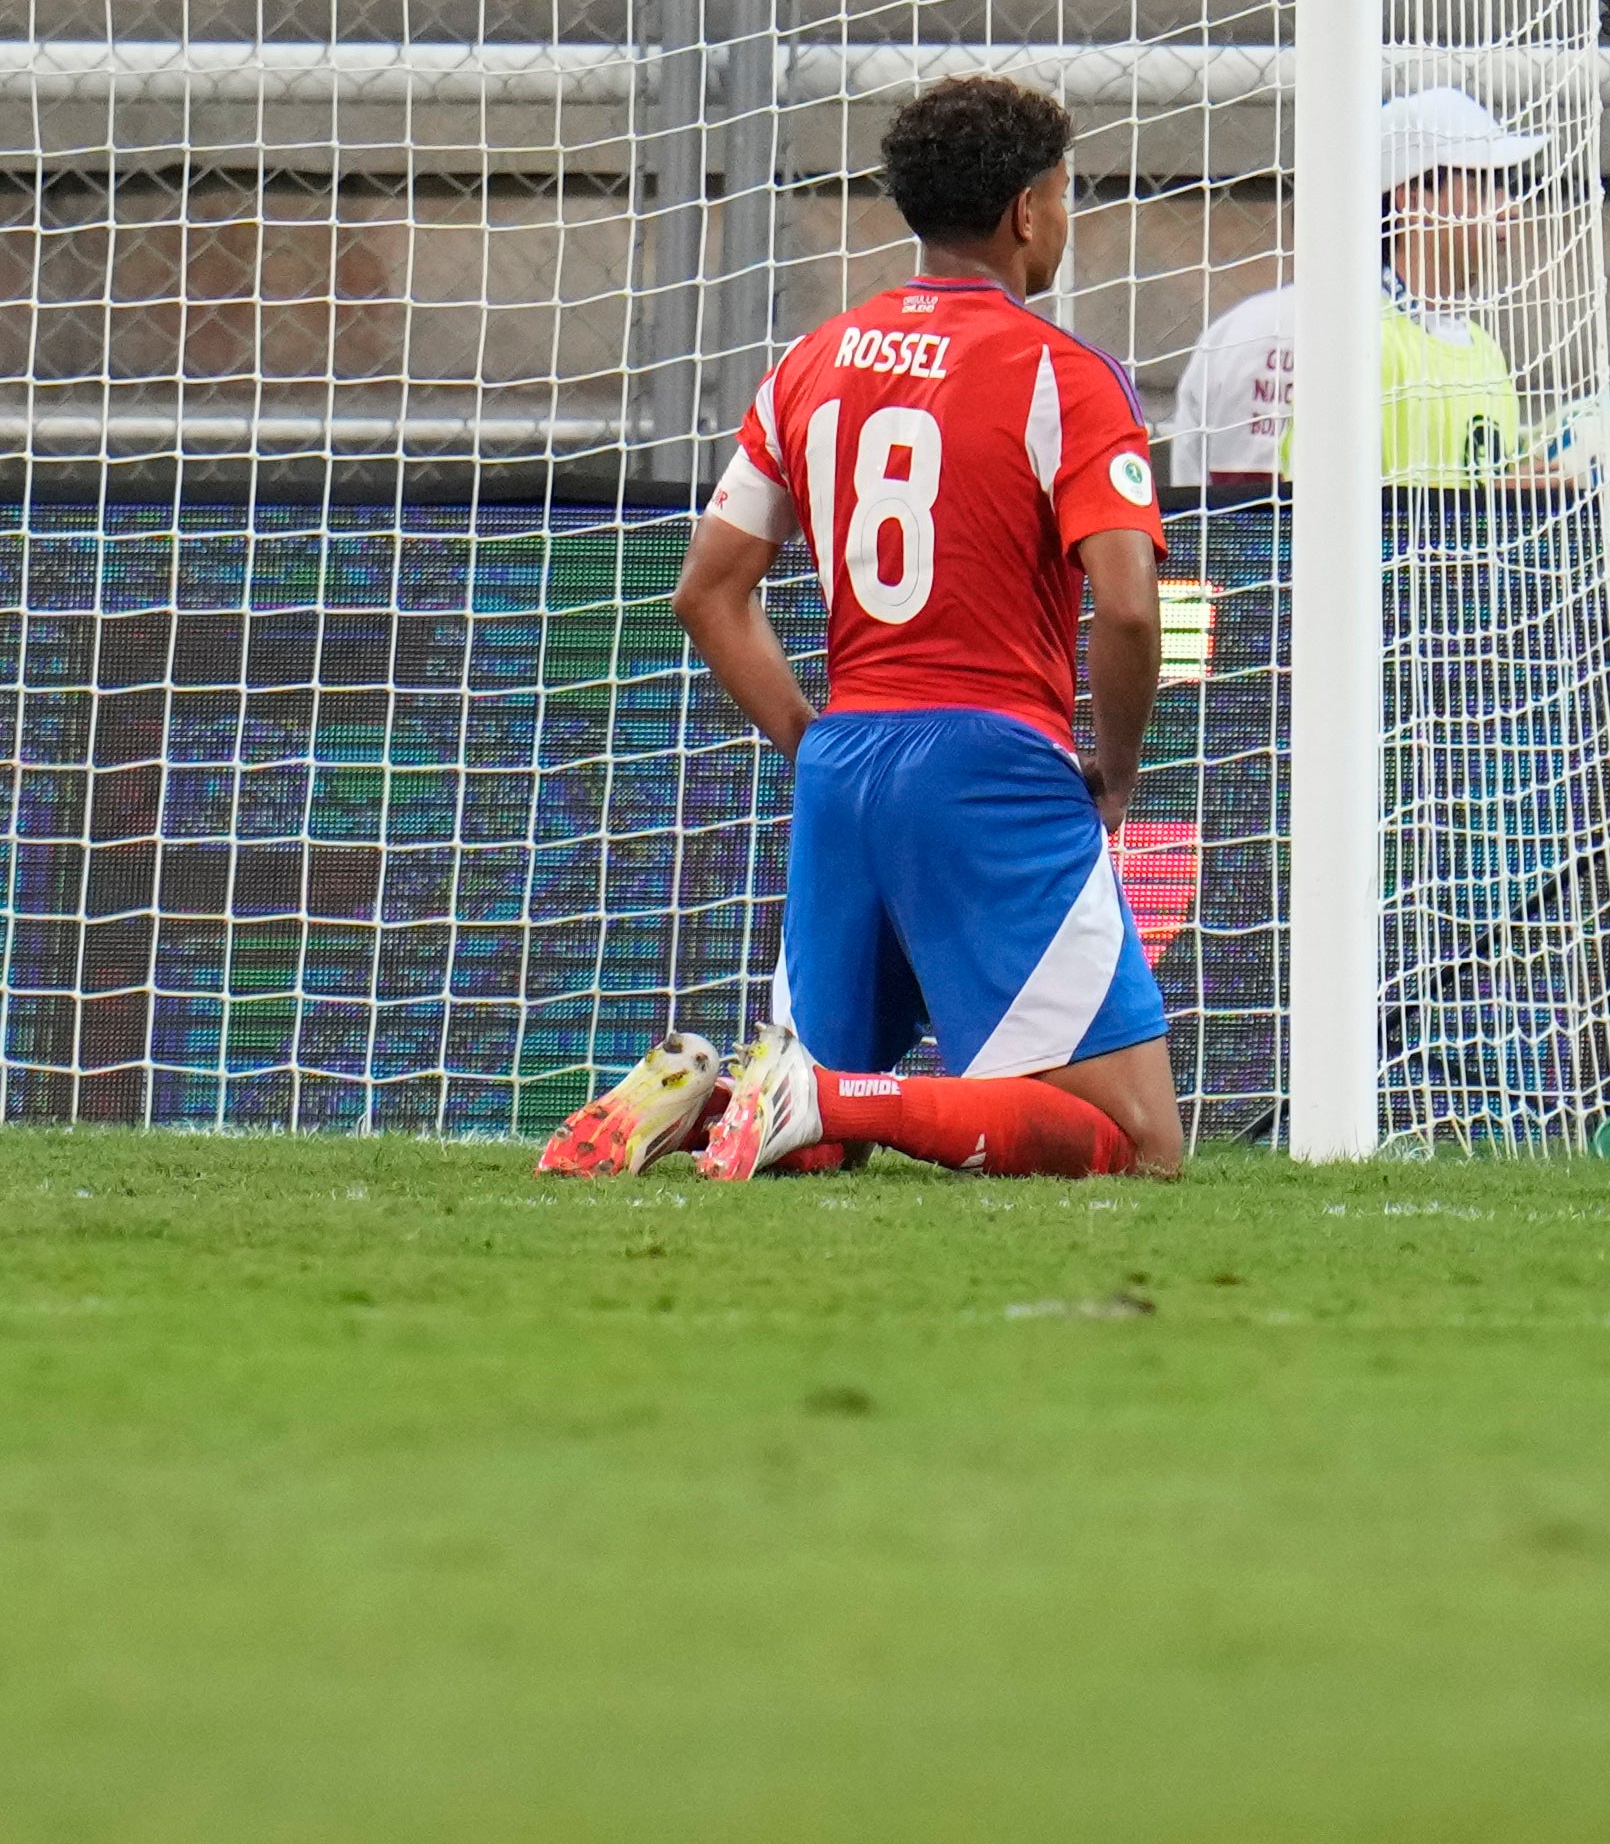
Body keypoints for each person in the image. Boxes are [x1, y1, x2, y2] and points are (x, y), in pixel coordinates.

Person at [541, 74, 1180, 1185]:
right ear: (1026, 209)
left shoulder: (811, 359)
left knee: (809, 1147)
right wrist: (1114, 771)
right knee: (1135, 1140)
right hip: (990, 763)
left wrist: (812, 741)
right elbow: (1125, 605)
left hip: (847, 763)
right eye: (1066, 195)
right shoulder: (1063, 375)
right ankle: (814, 1087)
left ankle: (717, 1098)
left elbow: (706, 590)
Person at [1167, 83, 1541, 496]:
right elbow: (1265, 529)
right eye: (1480, 187)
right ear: (1412, 198)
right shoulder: (1320, 333)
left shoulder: (1484, 351)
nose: (1510, 208)